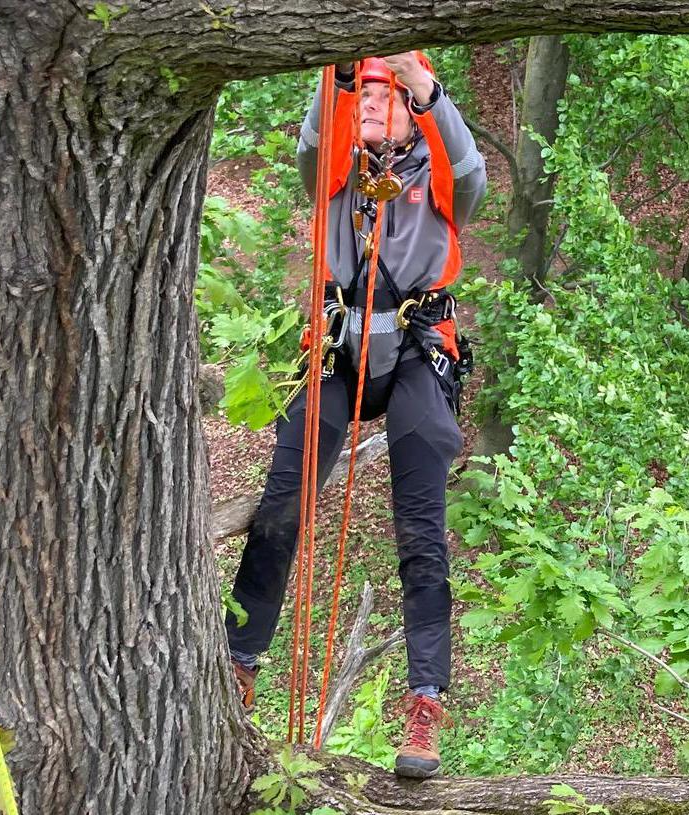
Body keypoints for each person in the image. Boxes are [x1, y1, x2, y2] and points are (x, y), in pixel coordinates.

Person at [225, 51, 487, 780]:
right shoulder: (337, 172)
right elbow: (314, 146)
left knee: (420, 526)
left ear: (411, 109)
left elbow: (469, 176)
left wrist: (424, 87)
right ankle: (239, 659)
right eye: (363, 94)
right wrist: (338, 77)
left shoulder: (436, 177)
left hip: (413, 353)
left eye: (384, 94)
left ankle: (426, 699)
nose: (371, 103)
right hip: (339, 348)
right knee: (283, 503)